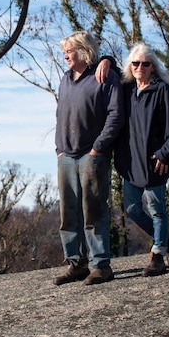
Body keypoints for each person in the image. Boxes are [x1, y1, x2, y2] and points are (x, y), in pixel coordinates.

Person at [53, 31, 123, 286]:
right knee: (68, 212)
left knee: (93, 211)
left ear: (83, 51)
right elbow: (60, 113)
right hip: (66, 156)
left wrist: (98, 148)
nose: (65, 56)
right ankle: (76, 263)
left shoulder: (105, 76)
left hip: (92, 156)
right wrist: (59, 149)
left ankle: (101, 266)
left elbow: (116, 115)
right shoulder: (65, 79)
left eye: (69, 51)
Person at [113, 42, 169, 276]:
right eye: (136, 63)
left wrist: (166, 154)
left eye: (145, 63)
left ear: (153, 67)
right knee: (132, 209)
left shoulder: (162, 90)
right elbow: (106, 68)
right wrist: (104, 59)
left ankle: (158, 256)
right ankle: (165, 238)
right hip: (130, 163)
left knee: (157, 210)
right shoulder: (125, 90)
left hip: (155, 162)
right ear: (130, 66)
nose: (140, 67)